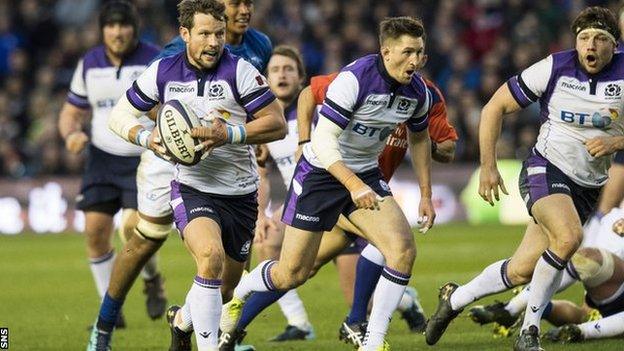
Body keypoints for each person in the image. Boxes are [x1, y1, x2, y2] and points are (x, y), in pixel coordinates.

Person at [224, 16, 436, 351]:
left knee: (402, 250)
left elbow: (421, 139)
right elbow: (322, 144)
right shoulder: (354, 80)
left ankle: (372, 340)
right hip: (321, 174)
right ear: (386, 52)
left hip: (365, 174)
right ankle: (244, 289)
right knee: (292, 274)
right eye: (408, 52)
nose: (415, 60)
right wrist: (352, 185)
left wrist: (425, 193)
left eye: (420, 53)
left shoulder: (418, 92)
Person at [89, 1, 287, 350]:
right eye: (205, 34)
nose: (214, 42)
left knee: (226, 287)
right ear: (185, 34)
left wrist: (228, 133)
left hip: (240, 191)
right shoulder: (164, 69)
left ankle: (181, 322)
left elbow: (276, 123)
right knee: (188, 251)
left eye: (219, 34)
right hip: (190, 182)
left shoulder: (242, 67)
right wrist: (148, 136)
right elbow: (121, 114)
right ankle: (103, 328)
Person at [425, 6, 624, 351]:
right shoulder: (555, 67)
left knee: (521, 270)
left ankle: (456, 300)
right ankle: (528, 333)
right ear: (575, 42)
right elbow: (494, 107)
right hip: (546, 168)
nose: (590, 45)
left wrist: (616, 142)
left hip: (588, 187)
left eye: (599, 39)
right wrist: (488, 166)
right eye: (583, 38)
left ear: (614, 45)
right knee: (568, 237)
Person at [57, 0, 164, 329]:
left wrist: (158, 117)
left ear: (135, 28)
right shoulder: (89, 63)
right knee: (94, 232)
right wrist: (71, 134)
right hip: (101, 158)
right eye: (111, 26)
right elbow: (71, 112)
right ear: (102, 30)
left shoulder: (154, 60)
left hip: (142, 157)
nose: (117, 32)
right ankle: (111, 311)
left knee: (133, 229)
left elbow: (169, 110)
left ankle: (152, 277)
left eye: (124, 25)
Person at [469, 206, 624, 341]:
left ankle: (577, 330)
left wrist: (583, 331)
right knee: (586, 264)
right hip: (614, 291)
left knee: (586, 315)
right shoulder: (613, 216)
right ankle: (523, 308)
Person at [158, 0, 271, 72]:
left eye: (248, 3)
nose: (245, 11)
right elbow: (152, 86)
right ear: (216, 5)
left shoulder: (261, 43)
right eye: (235, 4)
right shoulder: (186, 46)